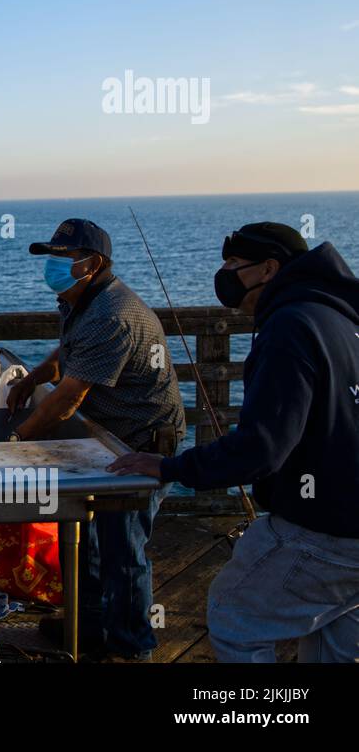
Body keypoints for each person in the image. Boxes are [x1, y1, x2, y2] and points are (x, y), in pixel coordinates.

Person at [109, 222, 359, 662]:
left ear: (268, 268)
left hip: (326, 530)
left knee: (234, 618)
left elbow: (262, 447)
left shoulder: (290, 325)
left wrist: (171, 468)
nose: (223, 274)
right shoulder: (341, 317)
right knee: (329, 643)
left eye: (232, 264)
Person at [7, 218, 185, 661]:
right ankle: (87, 628)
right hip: (107, 438)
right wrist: (33, 377)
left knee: (122, 551)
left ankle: (131, 649)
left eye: (64, 258)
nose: (53, 266)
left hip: (141, 443)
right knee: (85, 537)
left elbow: (67, 399)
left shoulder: (113, 314)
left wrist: (14, 442)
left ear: (94, 263)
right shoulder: (80, 299)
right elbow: (68, 353)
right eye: (51, 257)